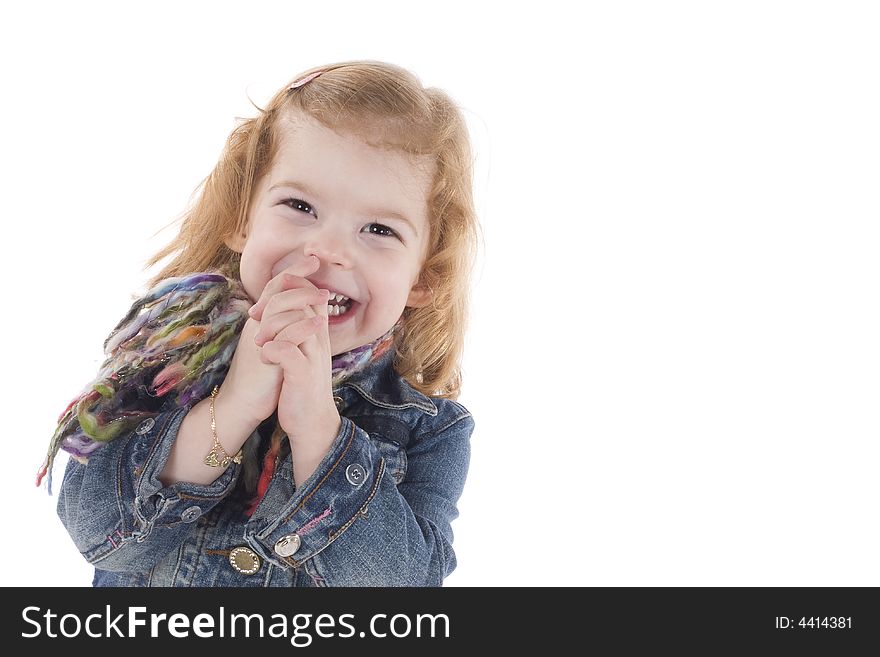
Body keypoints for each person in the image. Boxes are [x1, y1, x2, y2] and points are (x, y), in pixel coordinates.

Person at [38, 60, 478, 587]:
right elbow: (96, 535)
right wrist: (234, 405)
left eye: (379, 229)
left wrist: (319, 428)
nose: (329, 250)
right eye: (299, 205)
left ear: (423, 278)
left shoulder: (431, 430)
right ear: (242, 219)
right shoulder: (169, 355)